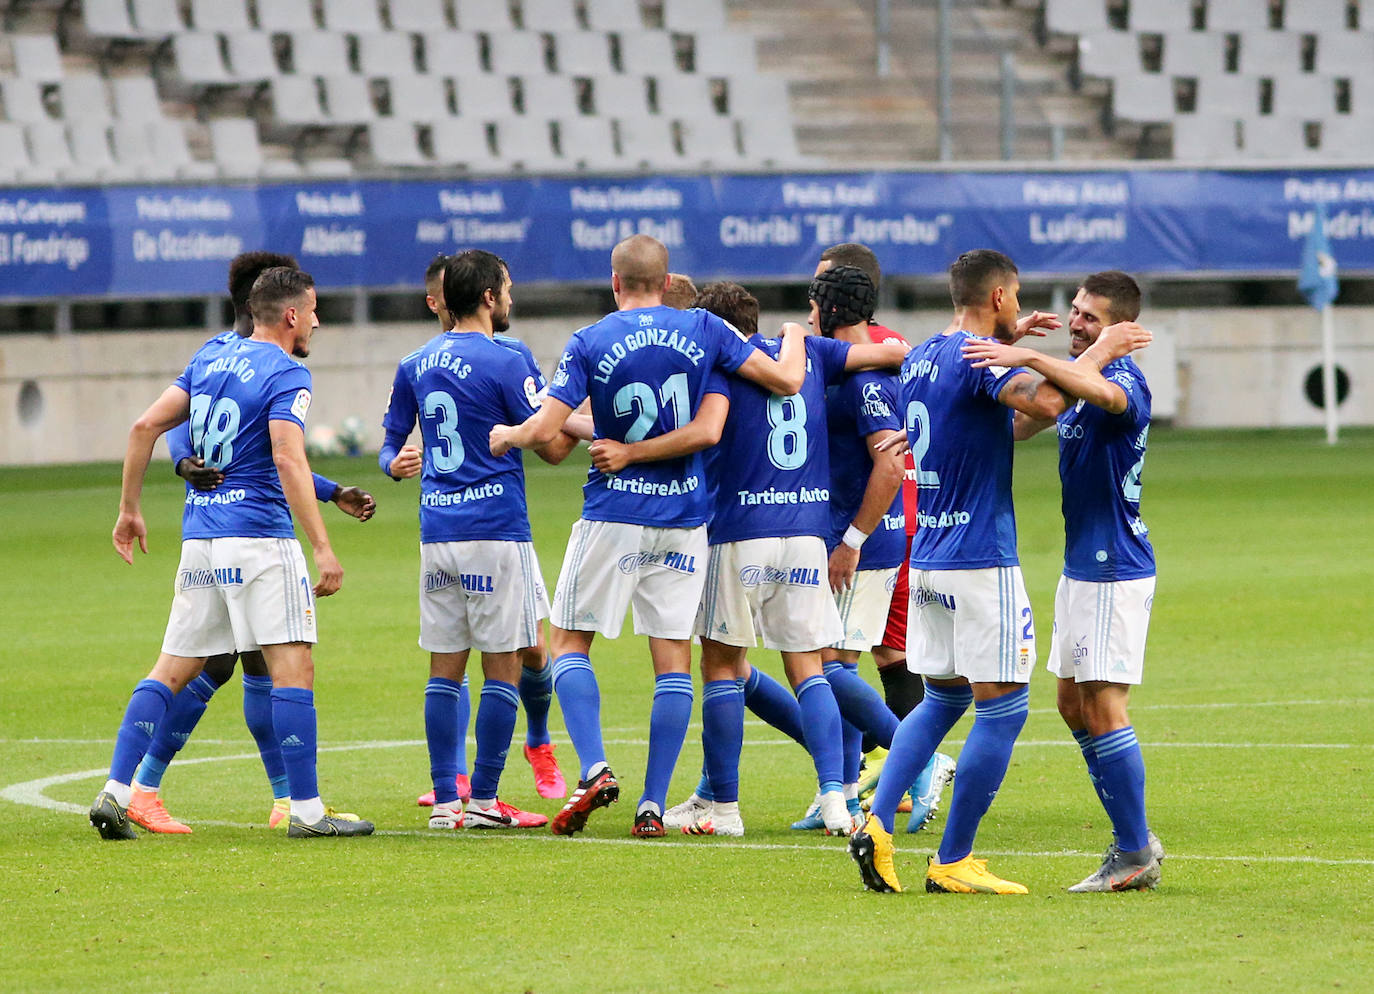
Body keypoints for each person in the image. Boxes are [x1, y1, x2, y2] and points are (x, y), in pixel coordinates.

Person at [849, 249, 1148, 893]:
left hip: (927, 555)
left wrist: (1014, 346)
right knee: (1004, 712)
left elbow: (997, 423)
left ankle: (875, 824)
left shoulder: (927, 353)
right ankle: (954, 860)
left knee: (943, 698)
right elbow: (1040, 402)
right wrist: (1072, 356)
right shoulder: (980, 356)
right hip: (980, 559)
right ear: (1004, 295)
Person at [490, 234, 807, 837]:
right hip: (685, 521)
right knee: (672, 663)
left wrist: (508, 435)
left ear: (614, 284)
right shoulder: (707, 332)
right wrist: (794, 333)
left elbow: (547, 430)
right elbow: (785, 382)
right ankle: (653, 805)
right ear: (667, 284)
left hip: (613, 514)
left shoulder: (590, 339)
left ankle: (595, 769)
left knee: (569, 643)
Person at [616, 279, 907, 836]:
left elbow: (699, 435)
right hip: (805, 533)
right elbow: (894, 350)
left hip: (739, 530)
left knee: (723, 665)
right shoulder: (811, 351)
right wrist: (798, 333)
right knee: (810, 668)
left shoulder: (718, 367)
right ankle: (835, 798)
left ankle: (722, 806)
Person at [92, 266, 373, 840]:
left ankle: (116, 792)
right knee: (292, 667)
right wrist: (323, 547)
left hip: (201, 539)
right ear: (291, 315)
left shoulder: (212, 357)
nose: (317, 320)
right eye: (314, 310)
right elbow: (287, 458)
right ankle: (307, 811)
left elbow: (145, 425)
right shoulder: (287, 371)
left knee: (171, 668)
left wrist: (130, 508)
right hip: (260, 539)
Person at [962, 270, 1163, 891]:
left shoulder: (1121, 379)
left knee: (1103, 705)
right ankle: (1131, 834)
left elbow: (1100, 393)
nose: (1076, 324)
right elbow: (1022, 422)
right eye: (1075, 311)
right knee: (1071, 703)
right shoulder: (1077, 379)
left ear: (1122, 330)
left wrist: (1023, 351)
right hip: (1085, 568)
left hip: (1113, 569)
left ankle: (1134, 852)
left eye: (1091, 319)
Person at [381, 249, 577, 830]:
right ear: (489, 297)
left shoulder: (414, 361)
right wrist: (580, 409)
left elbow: (389, 444)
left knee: (445, 670)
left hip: (437, 532)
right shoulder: (507, 358)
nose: (511, 298)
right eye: (508, 289)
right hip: (494, 531)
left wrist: (395, 465)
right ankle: (487, 801)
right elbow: (553, 448)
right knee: (502, 669)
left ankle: (446, 802)